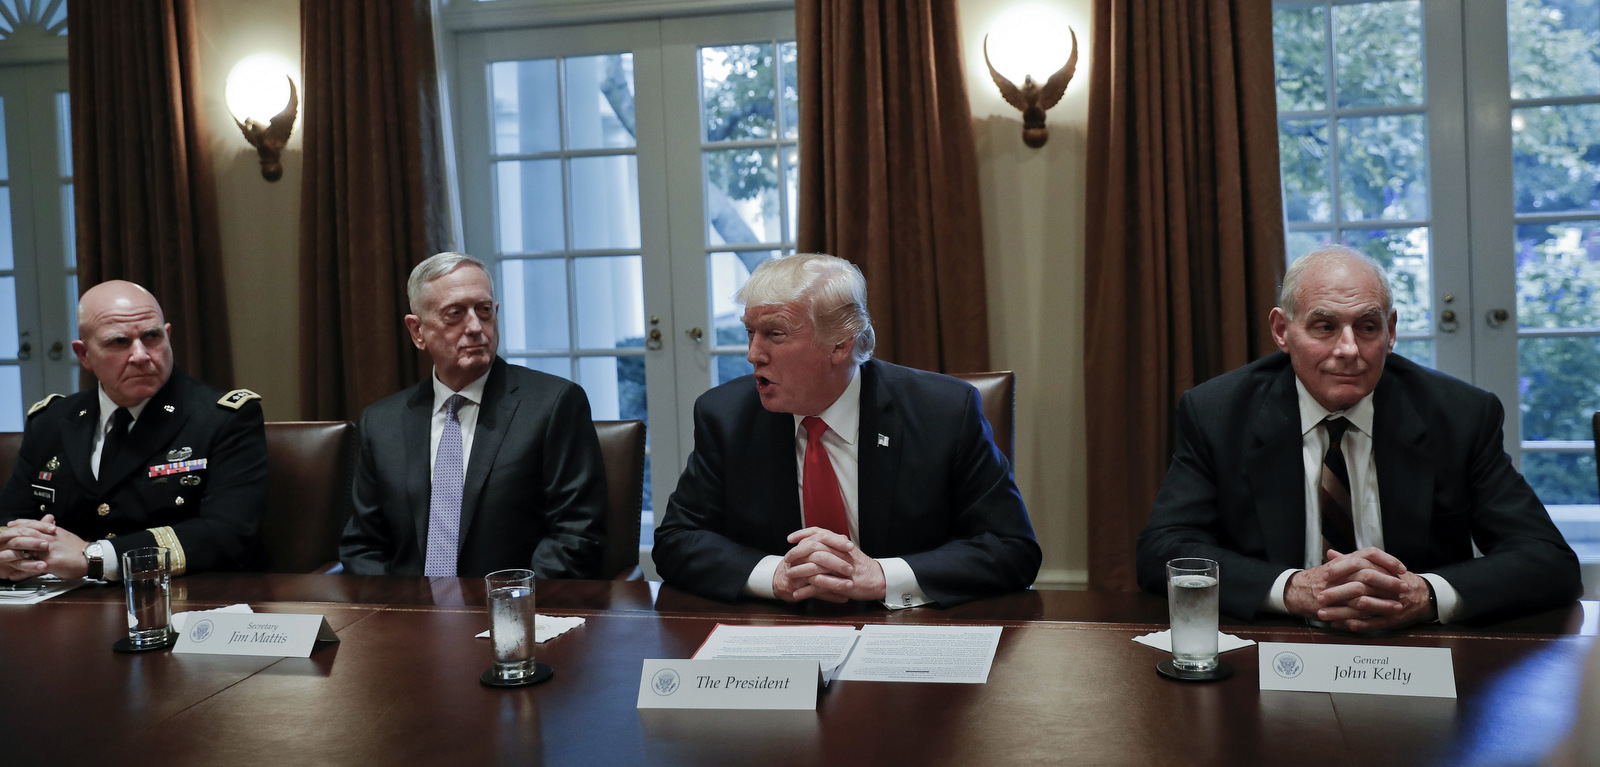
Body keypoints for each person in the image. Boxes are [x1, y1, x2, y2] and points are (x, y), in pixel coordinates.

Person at [1136, 246, 1581, 630]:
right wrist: (1291, 589)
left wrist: (1425, 595)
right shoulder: (1218, 412)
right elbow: (1164, 551)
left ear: (1390, 331)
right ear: (1281, 331)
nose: (1348, 349)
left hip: (1418, 653)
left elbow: (1548, 561)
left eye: (1367, 327)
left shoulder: (1459, 415)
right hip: (1276, 648)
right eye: (1324, 327)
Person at [654, 253, 1040, 608]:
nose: (754, 354)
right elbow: (677, 540)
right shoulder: (725, 416)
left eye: (775, 334)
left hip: (909, 635)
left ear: (840, 344)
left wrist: (881, 576)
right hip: (780, 639)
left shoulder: (944, 412)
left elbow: (1011, 549)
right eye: (749, 333)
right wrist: (774, 575)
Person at [339, 252, 606, 579]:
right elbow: (363, 545)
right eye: (455, 314)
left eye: (484, 311)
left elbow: (575, 535)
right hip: (409, 617)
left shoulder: (553, 405)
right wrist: (399, 612)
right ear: (417, 331)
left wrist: (506, 610)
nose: (476, 327)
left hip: (512, 615)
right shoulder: (382, 423)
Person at [0, 281, 267, 581]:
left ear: (168, 336)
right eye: (119, 342)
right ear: (84, 355)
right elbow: (10, 519)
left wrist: (94, 557)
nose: (140, 355)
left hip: (181, 601)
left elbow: (226, 534)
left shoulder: (222, 418)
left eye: (152, 337)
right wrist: (15, 553)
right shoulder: (51, 421)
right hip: (61, 601)